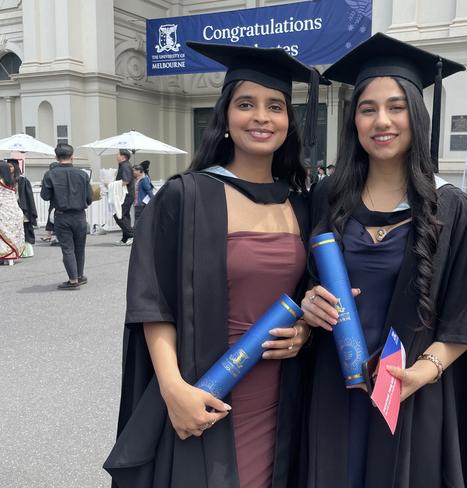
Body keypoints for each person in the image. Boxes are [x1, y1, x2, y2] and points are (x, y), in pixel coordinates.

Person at [104, 42, 327, 488]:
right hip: (203, 388)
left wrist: (304, 330)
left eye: (275, 106)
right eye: (246, 104)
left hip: (281, 395)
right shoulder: (184, 197)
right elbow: (153, 302)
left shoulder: (301, 206)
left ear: (289, 121)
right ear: (225, 116)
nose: (261, 117)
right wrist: (173, 389)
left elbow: (309, 292)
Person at [300, 33, 467, 488]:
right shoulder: (327, 199)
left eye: (396, 107)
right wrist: (307, 305)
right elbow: (302, 280)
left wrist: (422, 372)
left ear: (417, 115)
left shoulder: (453, 210)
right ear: (353, 120)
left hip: (411, 387)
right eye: (367, 108)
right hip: (335, 386)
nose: (382, 121)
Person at [40, 144, 92, 290]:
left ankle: (73, 280)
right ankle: (80, 275)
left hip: (62, 215)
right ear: (72, 156)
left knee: (68, 248)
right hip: (80, 215)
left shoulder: (50, 174)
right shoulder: (83, 174)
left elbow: (45, 196)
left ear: (56, 157)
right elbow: (89, 198)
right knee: (79, 248)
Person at [7, 159, 37, 258]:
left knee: (24, 229)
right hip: (9, 209)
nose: (9, 168)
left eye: (11, 166)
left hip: (21, 208)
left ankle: (26, 251)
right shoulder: (5, 179)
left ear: (15, 167)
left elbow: (27, 197)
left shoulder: (22, 181)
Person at [0, 161, 24, 265]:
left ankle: (4, 255)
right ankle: (11, 257)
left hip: (3, 211)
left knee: (3, 234)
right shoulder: (12, 182)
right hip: (14, 211)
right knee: (11, 235)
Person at [113, 149, 135, 246]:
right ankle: (125, 238)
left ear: (123, 156)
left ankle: (132, 235)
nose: (116, 156)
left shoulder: (125, 166)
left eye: (118, 154)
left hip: (126, 194)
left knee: (118, 215)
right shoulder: (124, 165)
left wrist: (111, 184)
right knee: (125, 216)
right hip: (125, 194)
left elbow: (126, 181)